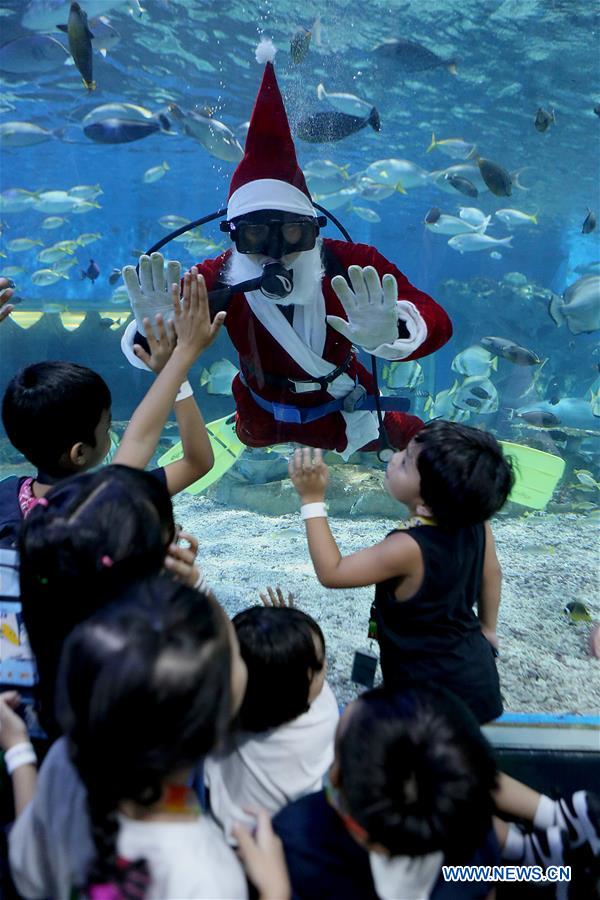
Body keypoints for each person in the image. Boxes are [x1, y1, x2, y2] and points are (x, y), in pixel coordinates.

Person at [121, 41, 452, 460]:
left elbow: (437, 321)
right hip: (260, 418)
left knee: (403, 435)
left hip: (342, 413)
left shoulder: (353, 264)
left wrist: (394, 332)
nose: (275, 251)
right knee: (253, 435)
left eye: (292, 233)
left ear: (313, 228)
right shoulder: (219, 276)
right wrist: (154, 329)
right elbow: (148, 346)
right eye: (256, 236)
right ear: (233, 234)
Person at [0, 271, 223, 728]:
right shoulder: (108, 502)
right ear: (81, 453)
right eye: (106, 429)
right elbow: (197, 460)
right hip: (95, 706)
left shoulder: (6, 498)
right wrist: (178, 366)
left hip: (16, 705)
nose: (115, 433)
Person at [3, 575, 289, 900]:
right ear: (216, 735)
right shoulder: (211, 877)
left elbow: (28, 869)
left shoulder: (65, 762)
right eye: (235, 654)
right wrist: (275, 892)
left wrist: (18, 748)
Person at [289, 420, 513, 724]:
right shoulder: (475, 522)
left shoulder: (408, 549)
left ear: (426, 507)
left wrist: (312, 500)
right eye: (405, 449)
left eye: (406, 462)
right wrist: (488, 629)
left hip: (428, 694)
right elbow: (492, 574)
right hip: (476, 675)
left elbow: (333, 572)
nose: (394, 457)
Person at [204, 589, 339, 838]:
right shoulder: (321, 719)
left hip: (227, 826)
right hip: (276, 838)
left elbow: (230, 653)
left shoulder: (231, 716)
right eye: (318, 666)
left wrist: (289, 638)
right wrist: (290, 639)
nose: (326, 668)